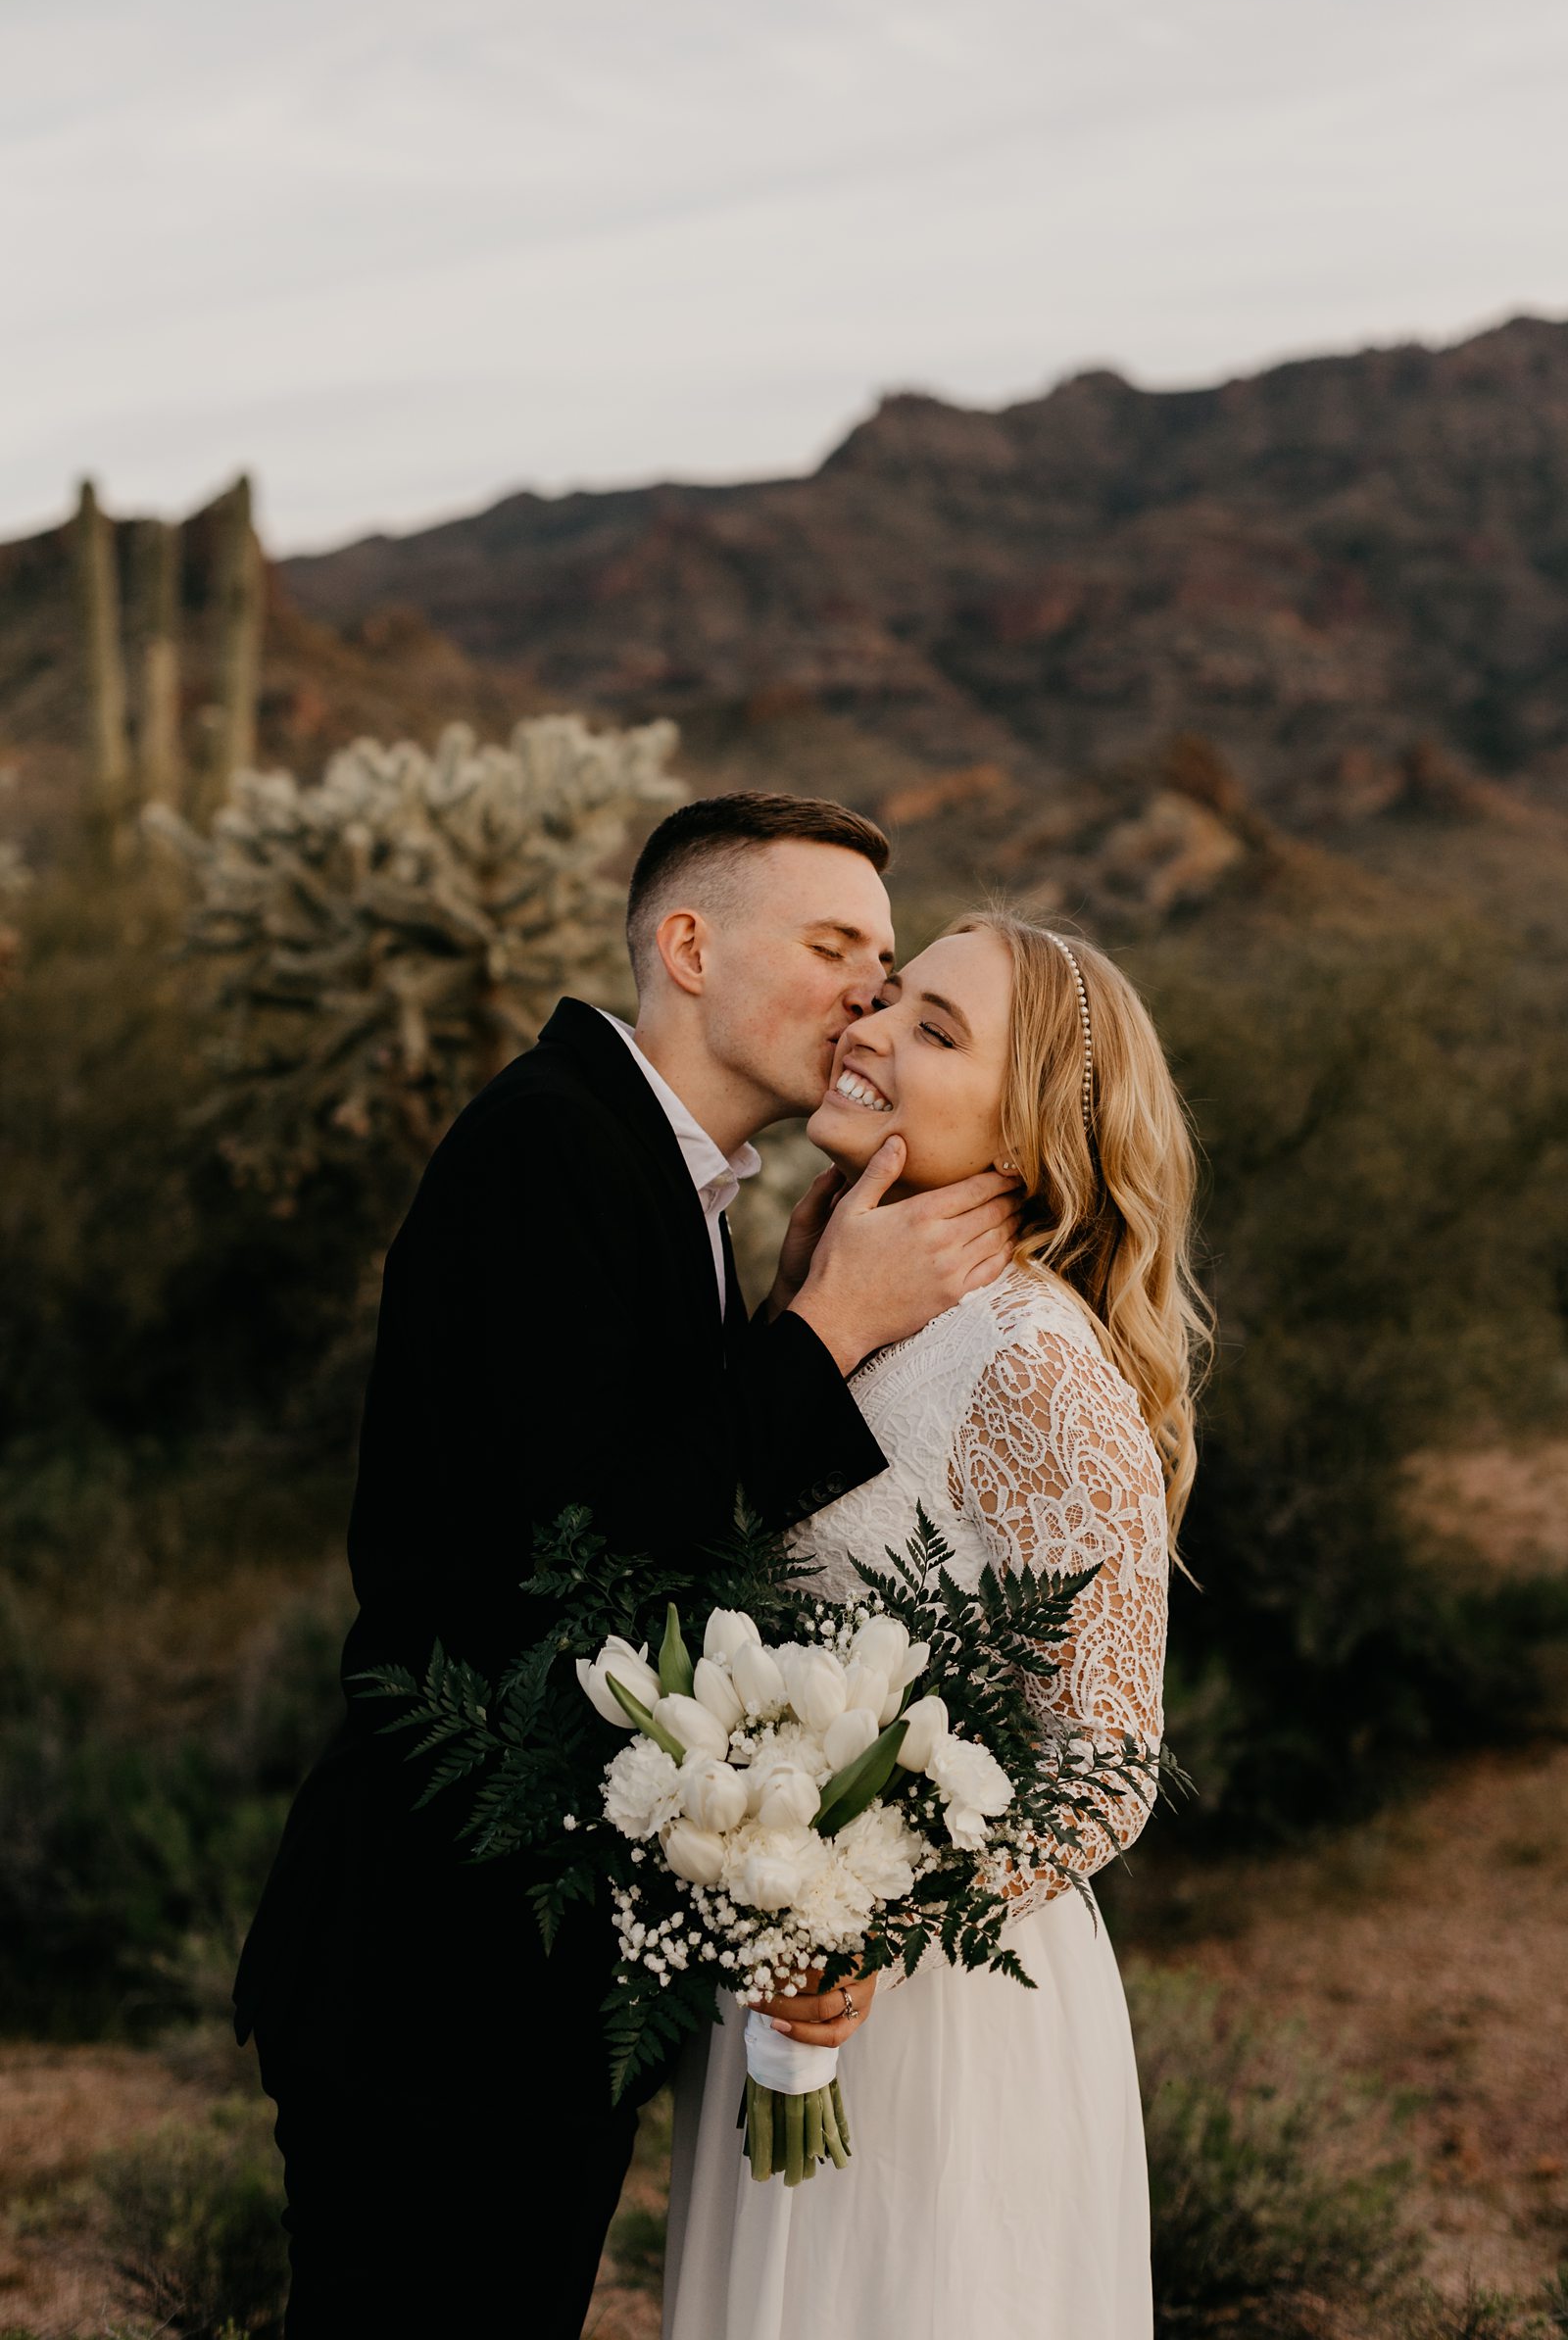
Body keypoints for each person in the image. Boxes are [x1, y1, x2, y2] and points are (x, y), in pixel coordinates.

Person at [232, 794, 1023, 2340]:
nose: (869, 991)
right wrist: (828, 1332)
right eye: (832, 947)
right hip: (434, 1968)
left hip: (513, 1970)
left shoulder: (675, 1184)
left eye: (886, 960)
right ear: (686, 945)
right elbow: (577, 1556)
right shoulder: (551, 1148)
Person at [663, 909, 1208, 2340]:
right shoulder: (839, 1293)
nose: (868, 1032)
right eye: (888, 1000)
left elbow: (1109, 1760)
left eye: (934, 1030)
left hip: (940, 2010)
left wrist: (872, 1931)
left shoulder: (1031, 1361)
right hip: (780, 1983)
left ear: (1026, 1141)